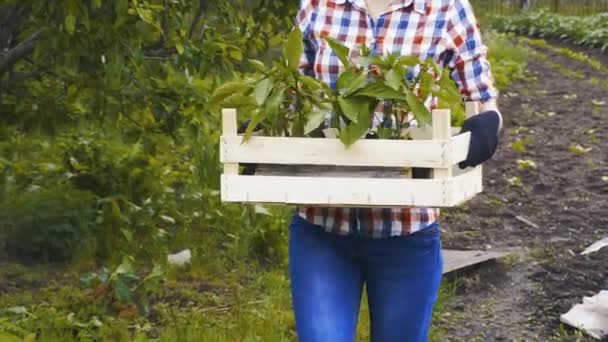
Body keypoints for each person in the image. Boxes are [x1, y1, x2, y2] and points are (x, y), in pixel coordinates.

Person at [289, 0, 502, 341]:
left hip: (406, 230)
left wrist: (486, 125)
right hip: (322, 226)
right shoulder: (317, 4)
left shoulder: (446, 8)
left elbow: (481, 94)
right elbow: (296, 91)